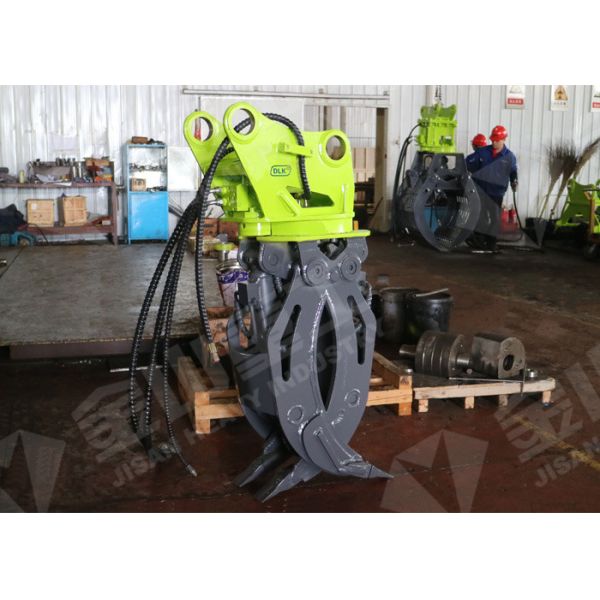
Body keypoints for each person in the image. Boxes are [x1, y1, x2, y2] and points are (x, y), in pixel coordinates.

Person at [466, 125, 518, 251]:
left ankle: (491, 243)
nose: (494, 142)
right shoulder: (483, 152)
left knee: (495, 218)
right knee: (480, 216)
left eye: (497, 140)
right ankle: (479, 240)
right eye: (493, 140)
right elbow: (468, 163)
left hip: (496, 193)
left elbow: (513, 171)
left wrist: (514, 181)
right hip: (480, 191)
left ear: (504, 139)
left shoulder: (509, 157)